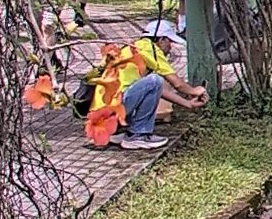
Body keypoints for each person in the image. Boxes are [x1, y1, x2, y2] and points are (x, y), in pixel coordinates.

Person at [86, 19, 207, 150]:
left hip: (103, 113)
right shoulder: (150, 49)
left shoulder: (131, 47)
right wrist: (195, 91)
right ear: (161, 40)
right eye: (169, 42)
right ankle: (137, 135)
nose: (170, 47)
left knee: (153, 82)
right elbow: (177, 83)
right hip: (112, 109)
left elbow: (156, 90)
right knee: (155, 80)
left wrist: (187, 104)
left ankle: (121, 133)